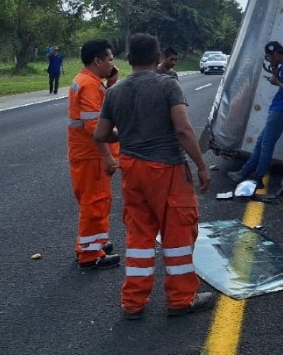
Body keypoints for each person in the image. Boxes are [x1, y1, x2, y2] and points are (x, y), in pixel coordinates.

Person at [93, 32, 214, 320]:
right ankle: (181, 299)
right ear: (158, 58)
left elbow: (100, 135)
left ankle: (133, 303)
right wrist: (201, 165)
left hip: (132, 169)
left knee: (139, 235)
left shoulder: (115, 91)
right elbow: (183, 130)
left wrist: (126, 134)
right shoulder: (167, 85)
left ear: (128, 58)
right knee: (178, 233)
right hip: (167, 169)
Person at [67, 39, 121, 270]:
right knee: (94, 204)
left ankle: (94, 243)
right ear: (97, 60)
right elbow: (94, 128)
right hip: (92, 156)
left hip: (87, 154)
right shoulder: (89, 85)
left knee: (95, 203)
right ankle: (89, 256)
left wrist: (110, 85)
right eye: (109, 59)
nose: (112, 63)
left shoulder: (88, 82)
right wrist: (110, 153)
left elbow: (96, 112)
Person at [227, 41, 283, 189]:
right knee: (261, 142)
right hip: (279, 109)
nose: (269, 60)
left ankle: (258, 177)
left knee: (266, 145)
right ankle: (244, 172)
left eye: (269, 57)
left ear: (275, 53)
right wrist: (275, 72)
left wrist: (276, 82)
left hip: (281, 110)